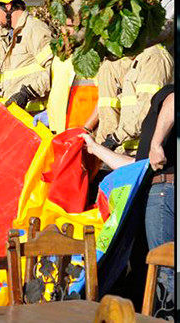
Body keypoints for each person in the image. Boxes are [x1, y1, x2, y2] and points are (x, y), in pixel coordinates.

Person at [80, 85, 174, 314]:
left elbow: (174, 99)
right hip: (159, 188)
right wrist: (94, 149)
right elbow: (136, 167)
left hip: (164, 190)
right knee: (156, 268)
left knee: (163, 267)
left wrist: (155, 144)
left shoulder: (167, 95)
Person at [94, 44, 173, 156]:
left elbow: (146, 109)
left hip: (147, 152)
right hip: (123, 152)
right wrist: (102, 146)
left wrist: (114, 139)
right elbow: (109, 112)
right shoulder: (121, 62)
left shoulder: (154, 58)